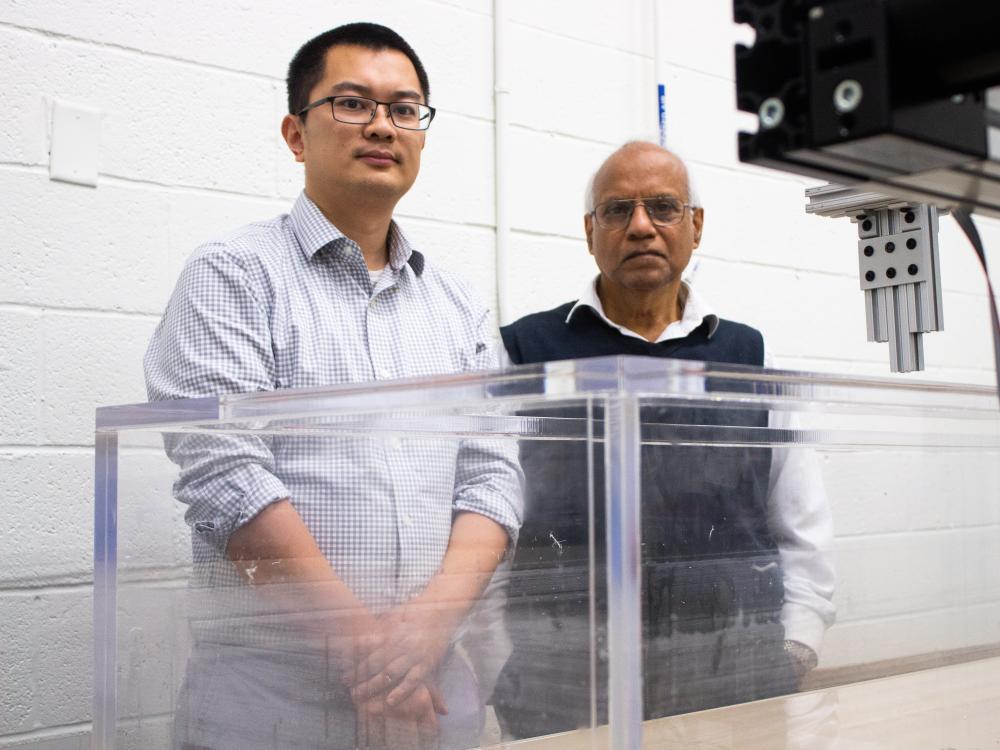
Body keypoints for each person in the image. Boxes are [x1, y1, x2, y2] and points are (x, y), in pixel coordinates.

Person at [144, 22, 522, 750]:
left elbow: (491, 482)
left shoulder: (459, 304)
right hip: (271, 715)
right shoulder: (233, 274)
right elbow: (228, 477)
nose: (382, 124)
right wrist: (370, 656)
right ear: (296, 133)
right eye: (352, 103)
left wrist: (422, 636)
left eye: (404, 108)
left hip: (434, 704)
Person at [492, 141, 835, 737]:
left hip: (731, 680)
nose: (641, 226)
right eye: (617, 210)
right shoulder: (524, 354)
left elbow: (802, 522)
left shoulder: (750, 359)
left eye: (664, 207)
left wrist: (798, 644)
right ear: (590, 231)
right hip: (565, 685)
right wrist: (497, 662)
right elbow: (487, 518)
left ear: (696, 226)